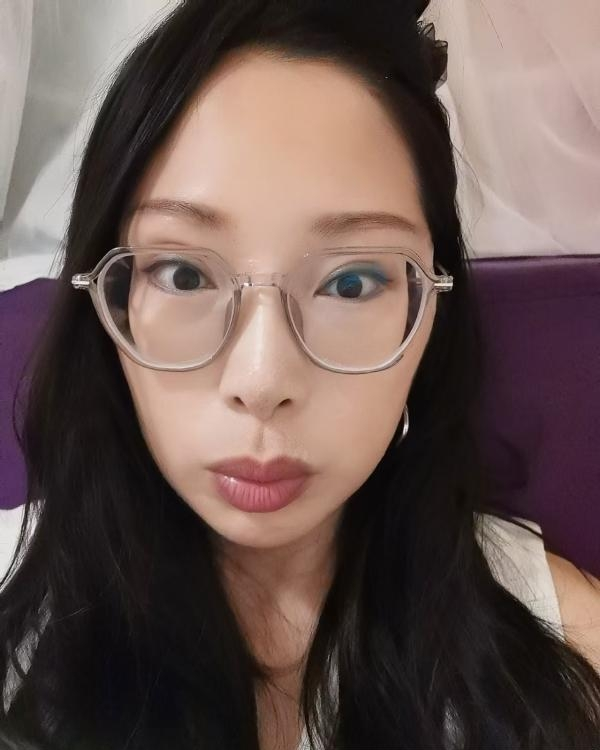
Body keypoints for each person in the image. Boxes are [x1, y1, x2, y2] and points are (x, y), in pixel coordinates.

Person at [0, 1, 599, 748]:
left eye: (350, 283)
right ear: (109, 300)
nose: (262, 381)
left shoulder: (556, 644)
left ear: (429, 316)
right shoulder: (19, 612)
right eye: (184, 274)